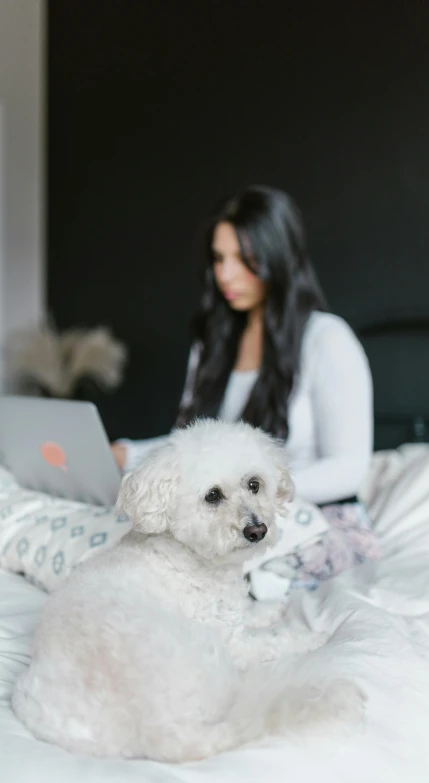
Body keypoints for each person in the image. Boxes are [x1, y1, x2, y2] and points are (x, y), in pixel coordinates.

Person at [111, 185, 379, 588]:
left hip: (314, 511)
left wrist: (258, 491)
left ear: (279, 258)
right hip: (228, 509)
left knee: (218, 573)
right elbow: (193, 446)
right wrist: (128, 453)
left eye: (245, 259)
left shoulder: (327, 339)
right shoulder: (212, 344)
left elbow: (349, 469)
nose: (225, 274)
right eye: (218, 259)